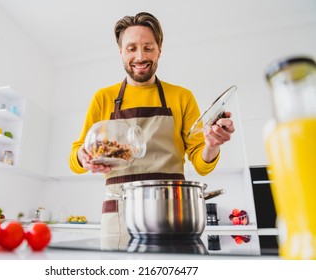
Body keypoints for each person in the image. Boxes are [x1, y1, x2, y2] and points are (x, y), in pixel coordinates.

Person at [69, 12, 235, 237]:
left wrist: (212, 144)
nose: (140, 57)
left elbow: (201, 162)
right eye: (131, 48)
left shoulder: (181, 96)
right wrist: (84, 158)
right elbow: (76, 158)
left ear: (159, 50)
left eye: (148, 48)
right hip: (120, 210)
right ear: (121, 52)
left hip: (171, 208)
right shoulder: (103, 98)